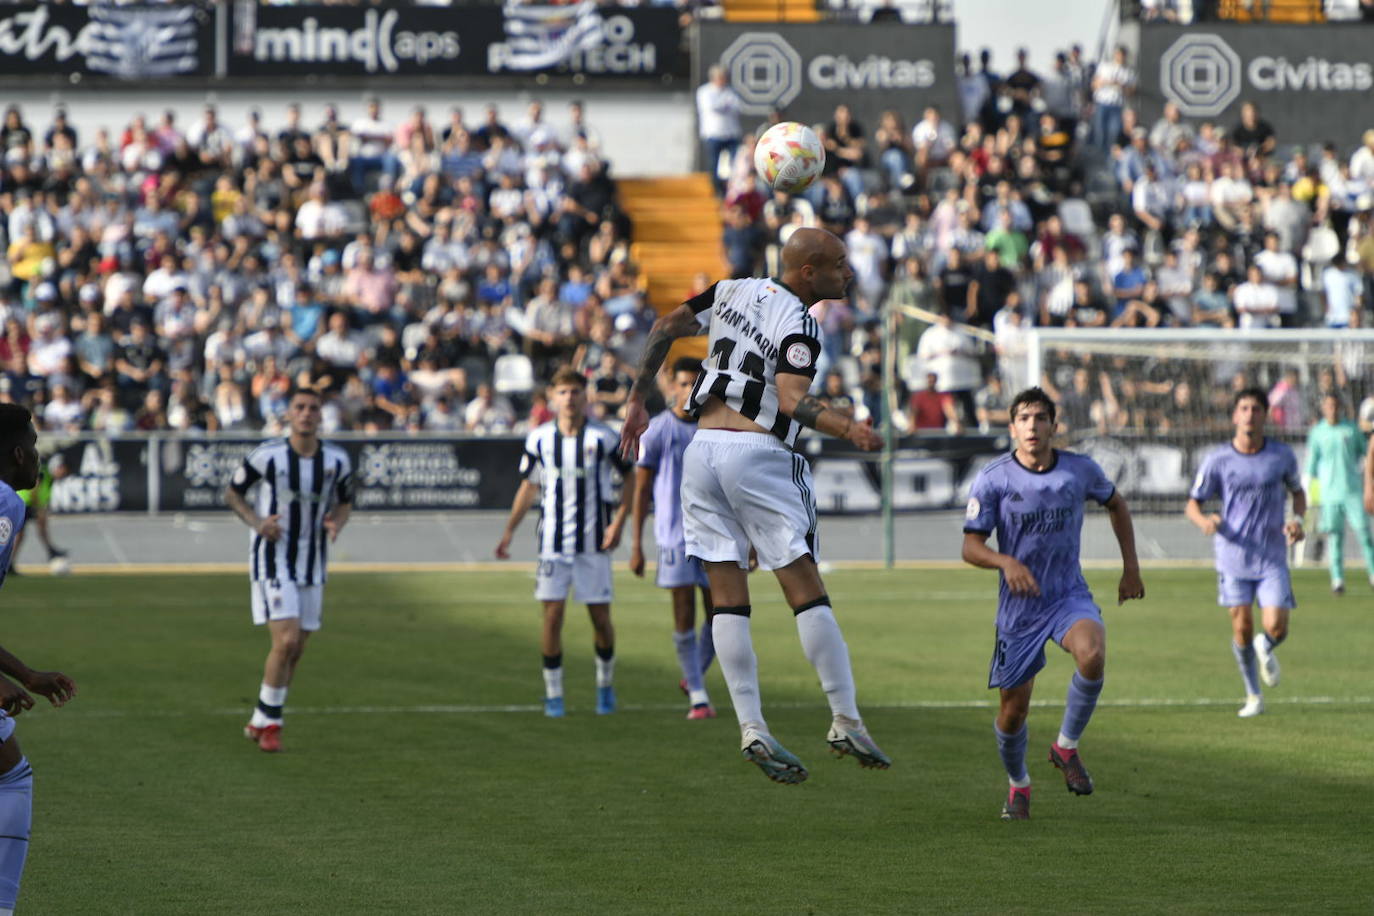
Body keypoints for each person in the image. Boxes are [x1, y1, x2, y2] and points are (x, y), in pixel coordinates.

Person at [619, 227, 890, 785]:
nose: (849, 273)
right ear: (808, 272)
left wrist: (636, 401)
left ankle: (752, 728)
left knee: (726, 599)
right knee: (805, 590)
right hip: (758, 452)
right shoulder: (799, 322)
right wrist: (850, 428)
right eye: (839, 264)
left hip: (702, 452)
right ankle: (845, 717)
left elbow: (665, 325)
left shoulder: (731, 289)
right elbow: (792, 400)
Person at [962, 388, 1144, 821]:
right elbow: (971, 547)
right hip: (1019, 609)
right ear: (1012, 427)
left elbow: (1116, 504)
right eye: (1023, 418)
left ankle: (1065, 747)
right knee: (1012, 713)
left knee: (1093, 651)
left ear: (1053, 426)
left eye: (1040, 418)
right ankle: (1019, 784)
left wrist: (1131, 568)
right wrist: (1005, 562)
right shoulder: (994, 478)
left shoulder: (1079, 471)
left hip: (1067, 594)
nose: (1032, 426)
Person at [225, 386, 355, 752]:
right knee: (287, 639)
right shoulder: (269, 456)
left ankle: (260, 718)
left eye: (314, 407)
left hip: (313, 561)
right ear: (289, 414)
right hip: (273, 555)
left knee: (295, 650)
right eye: (300, 407)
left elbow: (346, 501)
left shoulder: (336, 461)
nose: (307, 413)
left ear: (321, 415)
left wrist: (337, 524)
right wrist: (257, 522)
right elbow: (232, 493)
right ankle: (272, 725)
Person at [495, 367, 630, 718]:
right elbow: (528, 486)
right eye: (563, 392)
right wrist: (509, 531)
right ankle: (554, 695)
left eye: (575, 392)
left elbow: (632, 479)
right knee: (552, 617)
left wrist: (618, 522)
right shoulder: (539, 438)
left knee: (600, 619)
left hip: (594, 545)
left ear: (586, 397)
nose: (570, 398)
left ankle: (605, 686)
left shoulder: (605, 438)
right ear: (553, 398)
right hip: (553, 545)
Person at [1186, 388, 1305, 719]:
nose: (1249, 414)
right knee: (1241, 627)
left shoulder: (1281, 456)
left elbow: (1298, 493)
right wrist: (1203, 520)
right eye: (1244, 408)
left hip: (1271, 555)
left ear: (1265, 415)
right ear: (1235, 415)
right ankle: (1253, 695)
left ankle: (1265, 646)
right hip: (1233, 555)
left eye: (1255, 408)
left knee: (1277, 627)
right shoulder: (1218, 460)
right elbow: (1193, 503)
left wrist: (1296, 520)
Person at [0, 403, 77, 914]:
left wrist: (23, 673)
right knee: (12, 777)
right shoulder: (5, 501)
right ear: (18, 453)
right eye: (36, 448)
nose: (41, 461)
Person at [629, 358, 717, 719]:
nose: (689, 390)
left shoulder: (716, 428)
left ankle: (693, 671)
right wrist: (635, 544)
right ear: (673, 387)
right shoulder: (658, 430)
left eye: (696, 383)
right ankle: (698, 693)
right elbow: (641, 489)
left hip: (716, 535)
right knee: (683, 611)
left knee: (723, 613)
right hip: (675, 537)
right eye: (683, 383)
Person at [1306, 394, 1374, 595]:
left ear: (1340, 407)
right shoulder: (1317, 432)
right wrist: (1309, 488)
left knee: (1364, 533)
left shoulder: (1351, 429)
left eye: (1335, 405)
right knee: (1335, 537)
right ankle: (1337, 579)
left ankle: (1372, 573)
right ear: (1323, 408)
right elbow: (1311, 464)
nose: (1332, 409)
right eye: (1328, 405)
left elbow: (1367, 454)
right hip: (1329, 493)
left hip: (1352, 490)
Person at [11, 453, 68, 575]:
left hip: (28, 503)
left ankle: (50, 550)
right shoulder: (43, 473)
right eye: (62, 470)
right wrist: (38, 507)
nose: (63, 473)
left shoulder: (49, 477)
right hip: (26, 503)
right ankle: (50, 550)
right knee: (21, 534)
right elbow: (34, 487)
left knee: (31, 531)